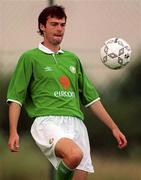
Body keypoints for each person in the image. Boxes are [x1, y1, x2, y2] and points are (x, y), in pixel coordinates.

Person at [7, 5, 127, 180]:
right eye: (54, 24)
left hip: (77, 123)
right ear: (42, 26)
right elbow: (15, 98)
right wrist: (13, 131)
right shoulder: (30, 58)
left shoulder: (72, 59)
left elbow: (92, 99)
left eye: (62, 25)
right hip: (48, 121)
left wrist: (114, 127)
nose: (59, 29)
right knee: (74, 155)